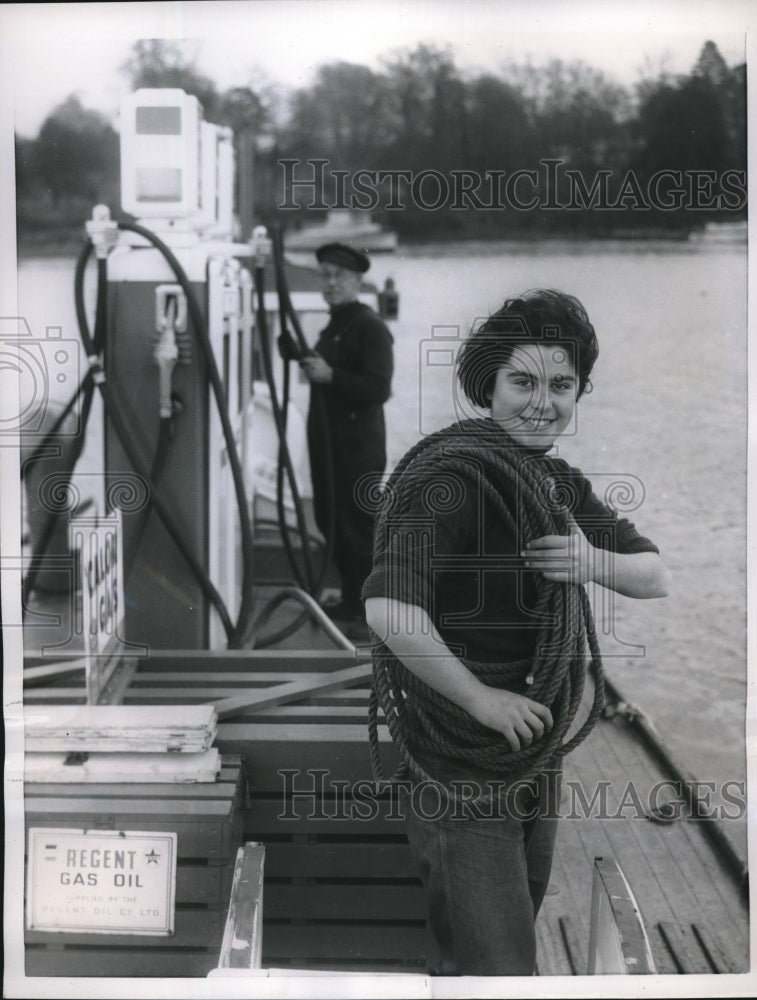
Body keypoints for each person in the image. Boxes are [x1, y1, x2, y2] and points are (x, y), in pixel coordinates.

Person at [362, 289, 670, 976]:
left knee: (508, 934)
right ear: (488, 387)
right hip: (462, 758)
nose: (542, 401)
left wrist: (593, 560)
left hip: (535, 749)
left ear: (579, 392)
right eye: (522, 381)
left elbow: (655, 576)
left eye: (561, 385)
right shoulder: (447, 482)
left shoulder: (560, 484)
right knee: (499, 963)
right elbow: (388, 612)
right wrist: (479, 699)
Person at [281, 241, 394, 634]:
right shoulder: (337, 323)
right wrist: (298, 354)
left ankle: (366, 611)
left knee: (356, 526)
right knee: (331, 520)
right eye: (325, 276)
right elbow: (327, 368)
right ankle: (350, 596)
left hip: (355, 448)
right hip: (328, 444)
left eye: (339, 277)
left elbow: (378, 388)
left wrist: (331, 377)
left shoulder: (369, 326)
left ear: (357, 281)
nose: (330, 284)